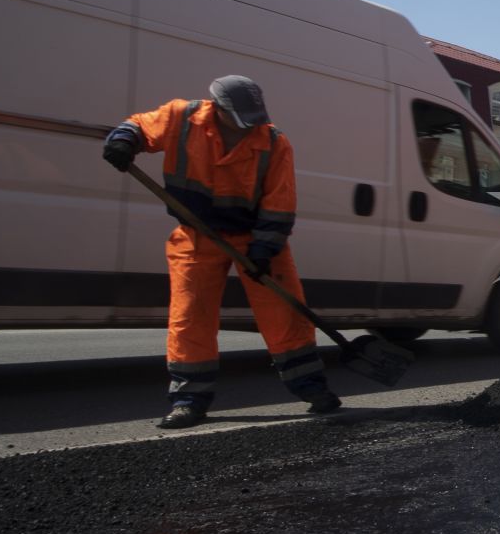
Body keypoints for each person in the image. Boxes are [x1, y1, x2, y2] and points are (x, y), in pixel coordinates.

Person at [102, 75, 342, 429]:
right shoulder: (181, 119)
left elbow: (280, 203)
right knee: (190, 317)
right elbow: (139, 125)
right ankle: (189, 400)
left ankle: (313, 388)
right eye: (242, 119)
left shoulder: (274, 143)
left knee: (284, 313)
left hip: (254, 236)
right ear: (218, 108)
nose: (249, 127)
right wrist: (124, 140)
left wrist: (264, 249)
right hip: (197, 234)